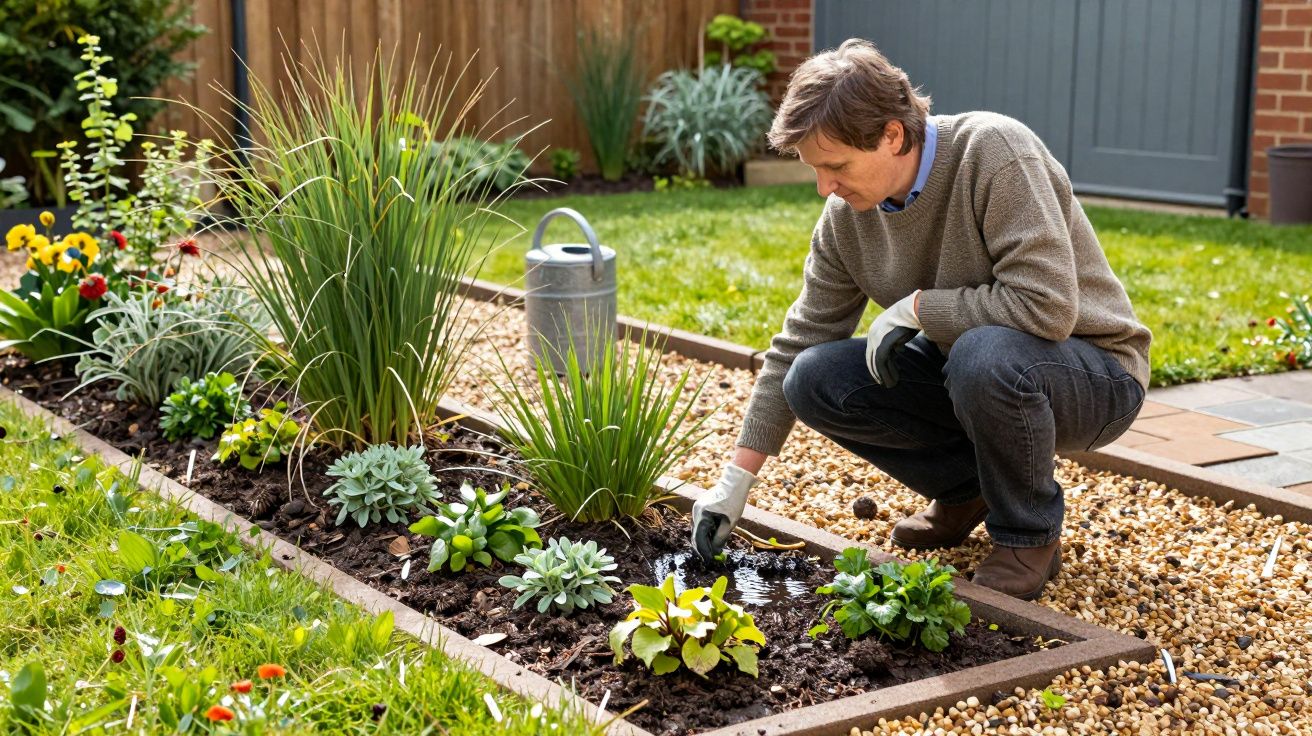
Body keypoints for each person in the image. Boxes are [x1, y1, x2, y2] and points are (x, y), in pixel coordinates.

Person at [690, 39, 1151, 601]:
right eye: (816, 170)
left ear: (892, 134)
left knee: (985, 355)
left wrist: (917, 309)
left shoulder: (995, 153)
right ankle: (969, 491)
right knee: (814, 377)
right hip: (972, 372)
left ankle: (1027, 535)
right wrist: (735, 483)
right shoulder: (846, 219)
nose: (825, 188)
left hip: (1091, 374)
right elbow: (800, 339)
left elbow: (1048, 308)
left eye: (836, 166)